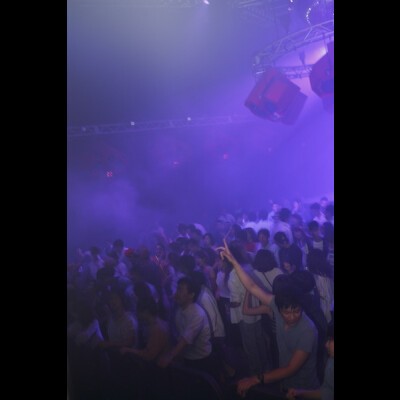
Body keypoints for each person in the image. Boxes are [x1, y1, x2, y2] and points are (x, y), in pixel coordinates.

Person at [218, 240, 319, 397]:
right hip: (284, 383)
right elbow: (252, 286)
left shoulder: (307, 330)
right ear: (279, 308)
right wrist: (233, 261)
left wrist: (255, 379)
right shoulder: (275, 305)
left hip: (304, 390)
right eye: (287, 312)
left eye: (296, 311)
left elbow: (291, 368)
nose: (292, 316)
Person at [286, 320, 334, 400]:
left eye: (330, 340)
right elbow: (327, 393)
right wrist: (299, 393)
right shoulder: (331, 362)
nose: (326, 345)